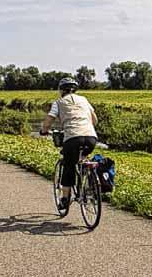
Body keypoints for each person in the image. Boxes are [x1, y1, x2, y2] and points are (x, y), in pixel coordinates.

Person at [40, 77, 98, 211]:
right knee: (82, 158)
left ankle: (65, 199)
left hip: (72, 138)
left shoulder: (58, 102)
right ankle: (86, 184)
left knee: (68, 165)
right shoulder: (84, 100)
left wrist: (44, 131)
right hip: (91, 137)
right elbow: (94, 120)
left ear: (61, 90)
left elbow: (49, 120)